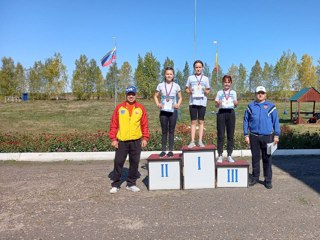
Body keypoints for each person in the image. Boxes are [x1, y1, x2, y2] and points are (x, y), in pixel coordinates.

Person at [109, 86, 149, 193]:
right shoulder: (119, 108)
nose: (131, 96)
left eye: (133, 94)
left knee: (134, 162)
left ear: (136, 95)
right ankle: (116, 184)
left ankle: (131, 183)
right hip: (122, 140)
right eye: (129, 94)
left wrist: (145, 137)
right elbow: (114, 124)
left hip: (136, 140)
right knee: (118, 162)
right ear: (126, 95)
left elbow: (144, 124)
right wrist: (113, 139)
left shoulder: (140, 108)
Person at [243, 86, 280, 189]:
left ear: (265, 94)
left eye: (262, 93)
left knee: (267, 158)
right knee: (255, 158)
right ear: (255, 94)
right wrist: (246, 134)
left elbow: (275, 121)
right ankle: (255, 178)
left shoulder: (271, 106)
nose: (260, 94)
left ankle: (268, 180)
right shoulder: (250, 106)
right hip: (254, 136)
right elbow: (246, 121)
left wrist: (276, 135)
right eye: (258, 93)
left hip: (268, 137)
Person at [154, 67, 182, 157]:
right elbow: (155, 96)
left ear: (173, 75)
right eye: (167, 74)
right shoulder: (160, 85)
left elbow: (181, 97)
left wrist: (178, 104)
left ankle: (170, 150)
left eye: (170, 74)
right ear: (164, 75)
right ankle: (163, 150)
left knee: (171, 131)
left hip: (173, 111)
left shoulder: (176, 86)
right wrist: (158, 104)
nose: (169, 75)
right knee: (164, 131)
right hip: (163, 111)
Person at [185, 60, 211, 148]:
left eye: (200, 67)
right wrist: (190, 91)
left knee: (201, 121)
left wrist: (204, 90)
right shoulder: (190, 78)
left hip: (202, 102)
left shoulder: (206, 78)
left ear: (202, 68)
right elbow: (186, 89)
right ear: (194, 68)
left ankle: (200, 140)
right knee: (193, 121)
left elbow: (208, 91)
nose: (198, 69)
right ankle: (192, 141)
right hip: (193, 102)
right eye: (196, 67)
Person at [215, 75, 238, 163]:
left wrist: (236, 103)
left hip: (231, 113)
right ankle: (220, 155)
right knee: (220, 135)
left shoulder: (233, 92)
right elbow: (216, 104)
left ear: (231, 83)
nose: (227, 84)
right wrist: (218, 103)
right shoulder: (219, 92)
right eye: (225, 82)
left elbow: (235, 105)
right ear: (222, 83)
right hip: (221, 113)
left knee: (230, 135)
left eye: (228, 82)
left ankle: (229, 155)